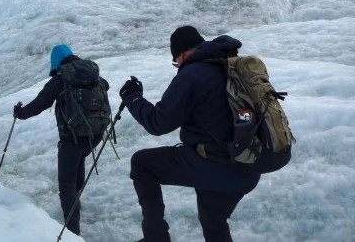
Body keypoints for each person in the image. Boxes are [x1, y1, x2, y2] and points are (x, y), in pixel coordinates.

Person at [120, 26, 260, 242]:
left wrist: (133, 97)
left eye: (176, 61)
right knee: (215, 225)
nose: (179, 66)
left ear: (182, 54)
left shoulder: (193, 73)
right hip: (248, 165)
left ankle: (155, 238)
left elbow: (158, 123)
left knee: (142, 164)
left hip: (214, 165)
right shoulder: (232, 66)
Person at [13, 44, 110, 236]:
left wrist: (20, 113)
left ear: (56, 64)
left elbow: (39, 104)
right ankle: (78, 198)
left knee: (66, 182)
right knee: (80, 159)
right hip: (95, 134)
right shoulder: (92, 73)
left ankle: (72, 231)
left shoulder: (60, 80)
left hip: (71, 139)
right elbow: (105, 85)